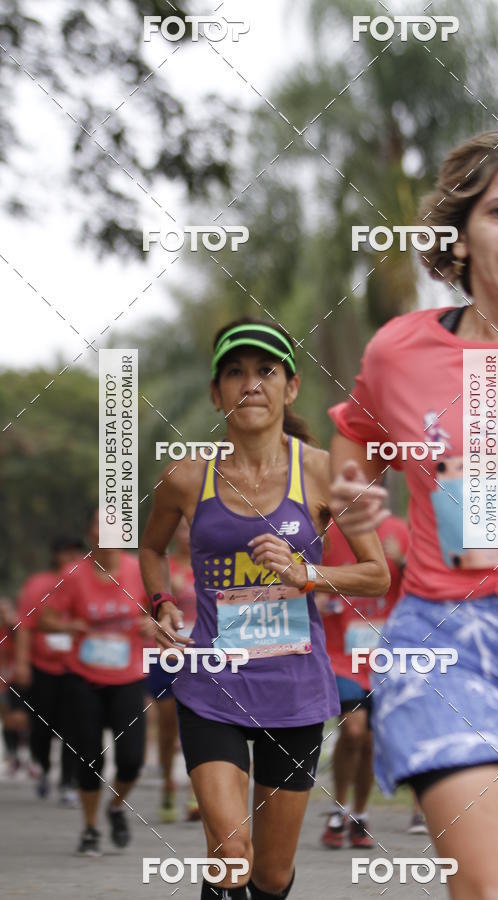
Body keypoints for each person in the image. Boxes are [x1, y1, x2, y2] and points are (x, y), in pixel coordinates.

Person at [328, 121, 498, 899]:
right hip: (445, 643)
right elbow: (355, 438)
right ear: (460, 234)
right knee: (492, 890)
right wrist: (353, 502)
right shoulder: (398, 353)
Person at [139, 317, 389, 899]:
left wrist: (308, 574)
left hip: (294, 690)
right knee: (230, 853)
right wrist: (161, 603)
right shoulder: (185, 478)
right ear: (216, 392)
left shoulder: (325, 471)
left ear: (290, 387)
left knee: (272, 875)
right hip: (211, 686)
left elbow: (376, 573)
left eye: (265, 371)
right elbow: (150, 548)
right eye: (235, 372)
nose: (250, 383)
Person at [39, 509, 153, 856]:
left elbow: (157, 610)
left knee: (132, 759)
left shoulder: (138, 570)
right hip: (83, 677)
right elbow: (45, 618)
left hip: (128, 676)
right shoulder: (72, 574)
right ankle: (90, 828)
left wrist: (152, 623)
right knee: (90, 758)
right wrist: (66, 626)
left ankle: (116, 807)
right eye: (100, 525)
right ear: (91, 533)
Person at [316, 513, 425, 847]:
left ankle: (358, 816)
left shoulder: (400, 530)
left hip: (384, 654)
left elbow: (422, 586)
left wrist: (403, 561)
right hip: (341, 652)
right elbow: (303, 572)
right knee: (352, 729)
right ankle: (339, 808)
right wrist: (315, 593)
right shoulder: (328, 532)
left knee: (370, 741)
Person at [13, 535, 85, 803]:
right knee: (41, 726)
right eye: (65, 553)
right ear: (55, 556)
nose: (70, 559)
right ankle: (42, 768)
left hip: (76, 666)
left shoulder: (84, 581)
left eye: (75, 553)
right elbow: (25, 627)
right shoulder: (38, 585)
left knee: (74, 726)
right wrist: (22, 663)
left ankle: (68, 782)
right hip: (42, 666)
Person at [146, 517, 200, 822]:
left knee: (199, 721)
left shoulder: (212, 565)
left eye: (193, 528)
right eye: (181, 528)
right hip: (167, 654)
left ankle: (197, 790)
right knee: (168, 727)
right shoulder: (162, 567)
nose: (188, 534)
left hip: (202, 653)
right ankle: (168, 783)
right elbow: (144, 610)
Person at [0, 597, 31, 778]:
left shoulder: (15, 630)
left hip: (16, 681)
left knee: (21, 719)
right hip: (2, 684)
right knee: (8, 719)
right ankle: (13, 757)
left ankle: (26, 755)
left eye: (5, 611)